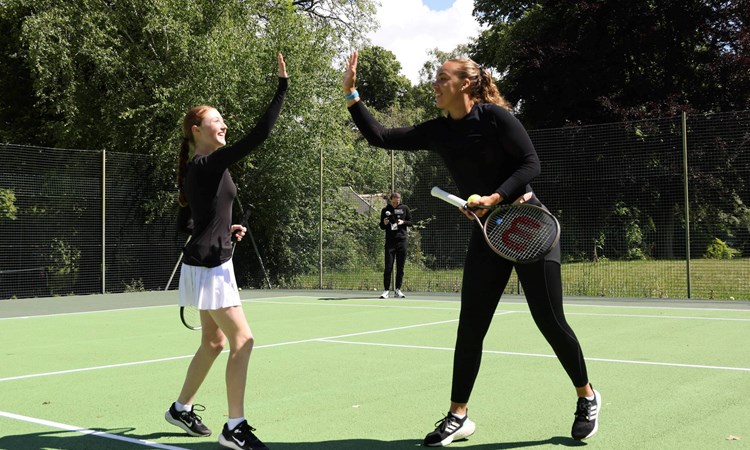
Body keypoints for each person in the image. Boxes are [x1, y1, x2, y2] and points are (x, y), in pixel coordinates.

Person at [343, 51, 601, 446]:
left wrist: (495, 196)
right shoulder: (439, 130)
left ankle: (587, 396)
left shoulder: (494, 117)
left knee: (549, 321)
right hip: (489, 234)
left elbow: (531, 164)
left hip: (528, 225)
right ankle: (458, 415)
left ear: (465, 83)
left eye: (442, 78)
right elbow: (381, 137)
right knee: (471, 328)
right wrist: (352, 96)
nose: (435, 84)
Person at [167, 53, 288, 450]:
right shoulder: (207, 163)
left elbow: (204, 216)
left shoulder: (204, 167)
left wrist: (228, 229)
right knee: (243, 341)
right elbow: (259, 135)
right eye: (217, 121)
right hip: (210, 267)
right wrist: (281, 89)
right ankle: (234, 427)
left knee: (214, 343)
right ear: (196, 129)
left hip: (212, 259)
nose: (224, 125)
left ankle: (180, 408)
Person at [378, 192, 412, 299]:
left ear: (400, 200)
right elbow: (381, 226)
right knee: (388, 266)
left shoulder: (405, 208)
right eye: (393, 202)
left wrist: (403, 222)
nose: (395, 204)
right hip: (390, 242)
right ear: (390, 200)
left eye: (397, 202)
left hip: (402, 241)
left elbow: (411, 222)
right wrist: (384, 223)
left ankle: (398, 290)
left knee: (400, 267)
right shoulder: (385, 210)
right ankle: (386, 290)